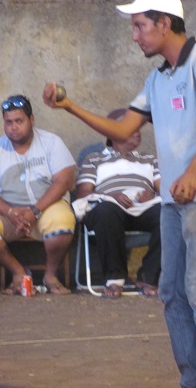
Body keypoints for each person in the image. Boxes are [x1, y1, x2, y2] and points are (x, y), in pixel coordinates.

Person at [43, 0, 196, 387]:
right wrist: (70, 106)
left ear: (164, 24)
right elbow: (122, 127)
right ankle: (194, 380)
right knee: (172, 293)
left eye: (139, 26)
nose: (134, 35)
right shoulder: (158, 79)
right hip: (173, 201)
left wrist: (192, 172)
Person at [0, 95, 76, 295]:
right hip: (9, 213)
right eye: (8, 122)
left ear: (31, 120)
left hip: (45, 208)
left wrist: (35, 210)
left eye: (19, 121)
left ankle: (50, 275)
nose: (13, 127)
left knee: (62, 223)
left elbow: (64, 181)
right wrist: (9, 212)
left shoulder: (51, 142)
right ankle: (18, 272)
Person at [75, 108, 162, 298]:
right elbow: (83, 193)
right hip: (109, 207)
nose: (137, 131)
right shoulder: (94, 159)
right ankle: (114, 278)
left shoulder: (149, 159)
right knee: (106, 210)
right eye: (130, 127)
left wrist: (152, 192)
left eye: (138, 127)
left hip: (144, 207)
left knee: (171, 213)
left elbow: (163, 188)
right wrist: (110, 194)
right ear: (111, 132)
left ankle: (149, 276)